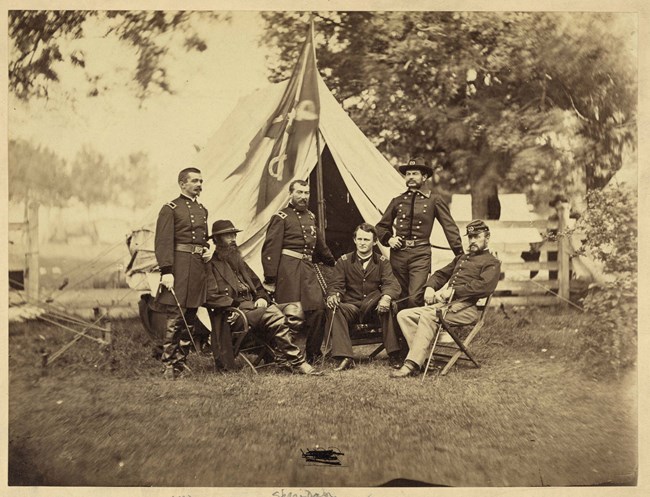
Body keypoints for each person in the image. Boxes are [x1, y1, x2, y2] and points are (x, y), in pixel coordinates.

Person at [205, 220, 322, 375]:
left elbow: (258, 286)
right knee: (274, 315)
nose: (233, 238)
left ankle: (281, 357)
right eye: (228, 235)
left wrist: (261, 297)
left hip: (256, 308)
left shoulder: (239, 261)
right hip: (235, 315)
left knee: (295, 308)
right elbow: (209, 296)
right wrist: (234, 305)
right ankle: (298, 362)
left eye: (234, 234)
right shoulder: (210, 265)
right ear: (217, 240)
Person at [391, 219, 500, 378]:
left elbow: (485, 286)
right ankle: (427, 359)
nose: (473, 240)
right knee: (404, 315)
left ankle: (411, 364)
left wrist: (454, 291)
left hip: (465, 309)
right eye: (470, 237)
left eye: (477, 236)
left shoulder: (492, 262)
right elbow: (441, 274)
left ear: (487, 237)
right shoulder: (462, 258)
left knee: (428, 316)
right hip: (444, 306)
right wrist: (430, 287)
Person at [262, 179, 336, 363]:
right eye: (299, 193)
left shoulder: (311, 217)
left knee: (318, 310)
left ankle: (313, 354)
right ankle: (281, 355)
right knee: (291, 315)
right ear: (291, 194)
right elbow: (270, 249)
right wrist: (271, 278)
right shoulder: (281, 217)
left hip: (307, 271)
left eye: (306, 193)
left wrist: (333, 261)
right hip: (288, 271)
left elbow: (319, 244)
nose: (303, 197)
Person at [376, 157, 464, 308]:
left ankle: (415, 331)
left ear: (424, 177)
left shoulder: (434, 200)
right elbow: (381, 227)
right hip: (398, 255)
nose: (410, 177)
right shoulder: (397, 201)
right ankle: (399, 332)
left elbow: (449, 227)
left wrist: (460, 253)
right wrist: (389, 239)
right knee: (398, 297)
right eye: (408, 174)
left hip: (420, 254)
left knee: (414, 298)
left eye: (415, 173)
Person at [155, 167, 210, 380]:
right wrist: (166, 270)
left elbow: (200, 238)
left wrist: (205, 249)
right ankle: (168, 365)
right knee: (176, 316)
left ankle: (180, 363)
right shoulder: (171, 208)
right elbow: (163, 241)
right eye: (195, 181)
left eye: (201, 181)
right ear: (182, 184)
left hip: (196, 267)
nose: (199, 185)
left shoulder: (203, 209)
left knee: (190, 315)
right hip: (179, 267)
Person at [325, 223, 403, 371]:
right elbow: (336, 284)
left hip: (374, 307)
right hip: (351, 307)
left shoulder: (382, 262)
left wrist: (386, 297)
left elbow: (391, 284)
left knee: (389, 305)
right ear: (354, 240)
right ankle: (345, 357)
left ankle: (394, 354)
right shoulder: (344, 261)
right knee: (335, 308)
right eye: (359, 239)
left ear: (374, 242)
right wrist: (333, 295)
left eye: (366, 240)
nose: (362, 243)